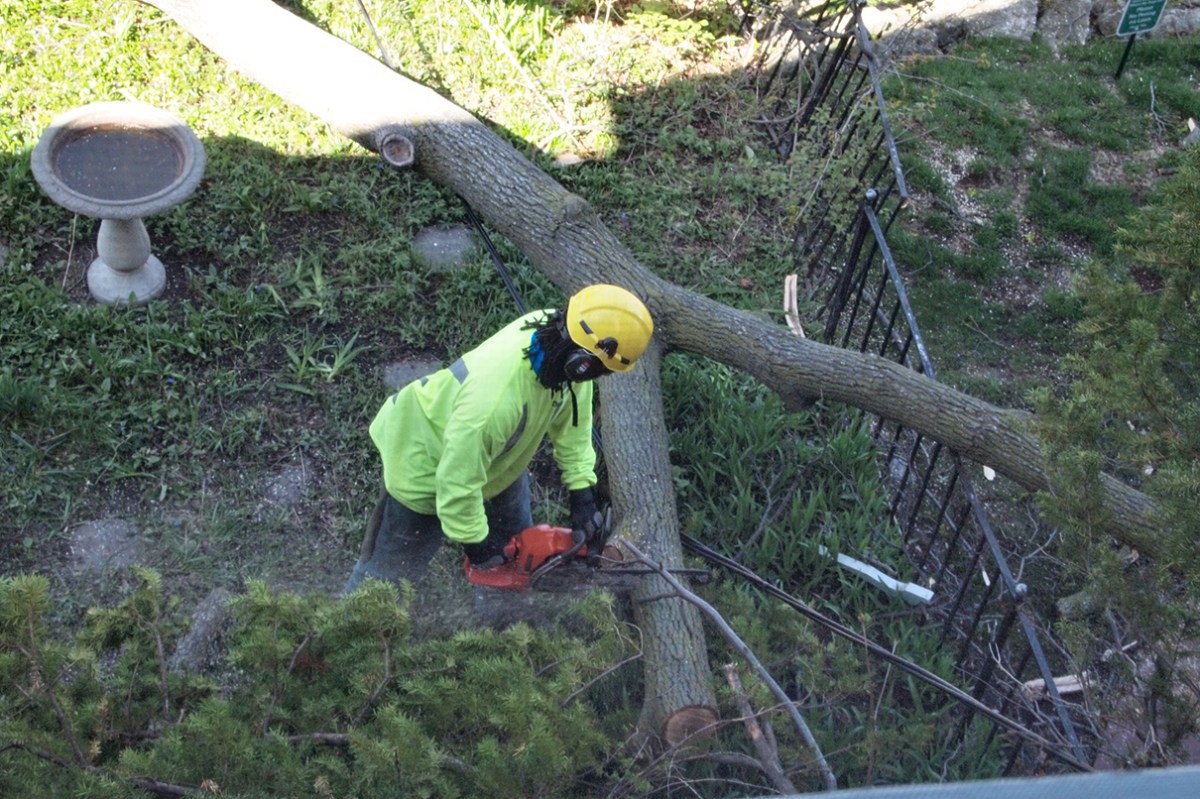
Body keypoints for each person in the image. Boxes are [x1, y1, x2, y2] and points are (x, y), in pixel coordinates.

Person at [342, 284, 654, 595]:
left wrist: (581, 491)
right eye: (598, 369)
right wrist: (477, 544)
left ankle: (501, 627)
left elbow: (574, 418)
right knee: (386, 581)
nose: (599, 378)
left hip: (498, 461)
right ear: (581, 360)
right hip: (423, 466)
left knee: (517, 559)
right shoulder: (492, 404)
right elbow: (456, 484)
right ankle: (349, 628)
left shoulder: (558, 343)